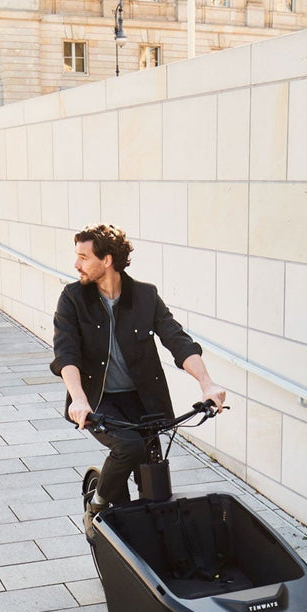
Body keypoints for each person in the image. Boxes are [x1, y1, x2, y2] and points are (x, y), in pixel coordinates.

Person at [51, 224, 226, 531]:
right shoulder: (73, 298)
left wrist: (206, 383)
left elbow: (178, 340)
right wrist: (78, 399)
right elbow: (66, 354)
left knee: (154, 471)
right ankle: (97, 506)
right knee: (128, 447)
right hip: (98, 399)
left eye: (83, 257)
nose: (76, 264)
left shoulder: (145, 296)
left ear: (106, 260)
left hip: (143, 400)